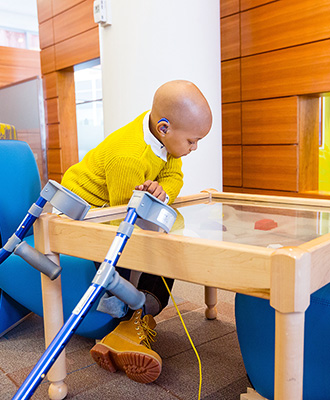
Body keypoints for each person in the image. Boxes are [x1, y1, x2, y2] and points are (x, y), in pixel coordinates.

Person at [61, 79, 212, 384]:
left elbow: (174, 177)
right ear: (165, 129)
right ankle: (122, 308)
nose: (194, 148)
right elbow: (123, 217)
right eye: (192, 141)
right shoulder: (128, 156)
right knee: (144, 247)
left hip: (118, 204)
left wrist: (162, 190)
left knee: (163, 239)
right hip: (85, 210)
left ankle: (134, 319)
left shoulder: (163, 133)